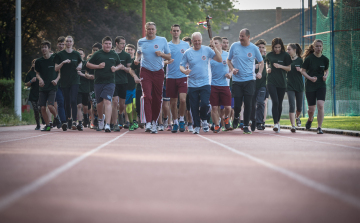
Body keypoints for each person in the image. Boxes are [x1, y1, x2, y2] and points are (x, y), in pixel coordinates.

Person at [180, 32, 222, 134]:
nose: (197, 43)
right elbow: (181, 65)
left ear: (201, 41)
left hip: (205, 82)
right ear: (192, 41)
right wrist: (184, 71)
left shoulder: (207, 50)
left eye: (199, 41)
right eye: (195, 41)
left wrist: (214, 48)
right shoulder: (188, 52)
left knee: (204, 104)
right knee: (193, 106)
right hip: (192, 83)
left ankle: (204, 120)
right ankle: (196, 126)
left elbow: (220, 59)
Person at [135, 22, 171, 134]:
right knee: (147, 96)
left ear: (155, 30)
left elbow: (169, 56)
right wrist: (137, 59)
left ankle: (155, 121)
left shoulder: (162, 40)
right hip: (145, 71)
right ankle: (149, 122)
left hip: (158, 72)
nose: (150, 31)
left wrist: (161, 54)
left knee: (157, 97)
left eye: (152, 29)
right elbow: (139, 53)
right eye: (148, 29)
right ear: (145, 30)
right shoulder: (141, 41)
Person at [227, 28, 264, 134]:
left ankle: (246, 125)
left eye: (242, 36)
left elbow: (261, 62)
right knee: (237, 105)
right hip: (237, 80)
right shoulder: (234, 46)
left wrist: (260, 72)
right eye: (239, 35)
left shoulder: (254, 48)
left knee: (248, 104)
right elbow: (228, 60)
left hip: (250, 80)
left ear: (248, 37)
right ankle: (236, 117)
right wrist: (233, 69)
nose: (240, 38)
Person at [87, 36, 123, 132]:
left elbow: (120, 65)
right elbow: (88, 64)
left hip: (110, 82)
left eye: (109, 44)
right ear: (102, 44)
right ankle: (100, 119)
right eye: (106, 44)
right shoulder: (98, 54)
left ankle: (107, 124)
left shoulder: (114, 54)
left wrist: (115, 68)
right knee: (99, 104)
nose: (108, 45)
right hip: (98, 82)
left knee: (107, 101)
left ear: (111, 45)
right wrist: (98, 66)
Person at [54, 36, 83, 131]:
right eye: (67, 41)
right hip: (64, 81)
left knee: (74, 100)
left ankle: (74, 121)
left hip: (75, 80)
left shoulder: (76, 54)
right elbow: (56, 68)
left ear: (73, 43)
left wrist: (79, 66)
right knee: (67, 101)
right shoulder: (60, 54)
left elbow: (81, 62)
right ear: (65, 43)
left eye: (70, 41)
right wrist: (63, 63)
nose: (69, 43)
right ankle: (68, 120)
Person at [301, 39, 329, 134]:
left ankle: (319, 127)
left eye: (320, 46)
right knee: (311, 109)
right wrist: (310, 78)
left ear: (322, 48)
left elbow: (326, 70)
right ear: (313, 47)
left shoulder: (325, 59)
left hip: (321, 85)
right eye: (316, 46)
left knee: (320, 105)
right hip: (310, 85)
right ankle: (310, 119)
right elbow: (303, 71)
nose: (318, 48)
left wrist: (325, 76)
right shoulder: (309, 59)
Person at [166, 24, 190, 133]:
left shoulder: (185, 45)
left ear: (180, 32)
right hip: (171, 76)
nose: (176, 33)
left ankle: (181, 120)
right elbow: (162, 60)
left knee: (183, 99)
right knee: (173, 102)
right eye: (174, 31)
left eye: (177, 31)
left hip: (182, 76)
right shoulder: (167, 45)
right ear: (171, 32)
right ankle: (175, 122)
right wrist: (167, 61)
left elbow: (190, 58)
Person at [265, 37, 292, 133]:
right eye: (275, 47)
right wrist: (267, 69)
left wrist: (280, 66)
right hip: (271, 82)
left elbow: (289, 68)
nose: (277, 49)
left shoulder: (285, 55)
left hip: (282, 82)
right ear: (273, 47)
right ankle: (275, 123)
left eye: (279, 47)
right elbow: (266, 63)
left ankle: (278, 121)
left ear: (281, 47)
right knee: (275, 102)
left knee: (279, 103)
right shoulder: (269, 55)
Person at [35, 41, 61, 131]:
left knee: (50, 106)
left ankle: (57, 117)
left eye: (45, 47)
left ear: (49, 49)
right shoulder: (38, 61)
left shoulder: (54, 59)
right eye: (42, 47)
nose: (43, 49)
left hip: (52, 87)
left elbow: (60, 73)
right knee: (42, 107)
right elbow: (37, 73)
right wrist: (40, 79)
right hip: (42, 87)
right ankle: (47, 125)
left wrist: (56, 80)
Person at [209, 36, 233, 133]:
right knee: (214, 107)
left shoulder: (227, 55)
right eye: (212, 44)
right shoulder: (210, 56)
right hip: (213, 85)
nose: (213, 46)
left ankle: (226, 118)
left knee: (228, 107)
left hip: (224, 85)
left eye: (216, 44)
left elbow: (232, 68)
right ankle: (216, 125)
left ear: (220, 44)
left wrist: (230, 74)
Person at [112, 36, 132, 131]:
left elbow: (130, 70)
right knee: (114, 101)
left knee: (122, 104)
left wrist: (123, 68)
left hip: (123, 81)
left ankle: (121, 114)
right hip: (112, 81)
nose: (123, 45)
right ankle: (115, 123)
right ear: (116, 43)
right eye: (121, 43)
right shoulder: (111, 53)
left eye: (124, 43)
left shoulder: (126, 55)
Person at [250, 39, 268, 131]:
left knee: (261, 102)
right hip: (252, 84)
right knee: (252, 104)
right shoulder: (251, 58)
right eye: (259, 47)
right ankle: (253, 120)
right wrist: (254, 67)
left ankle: (259, 122)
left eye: (262, 47)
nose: (260, 49)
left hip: (262, 85)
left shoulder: (265, 58)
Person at [287, 43, 304, 133]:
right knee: (292, 105)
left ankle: (297, 117)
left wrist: (300, 70)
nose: (287, 51)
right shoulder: (287, 60)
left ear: (294, 50)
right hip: (289, 85)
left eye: (289, 49)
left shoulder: (300, 61)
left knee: (299, 108)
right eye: (287, 49)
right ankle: (293, 126)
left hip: (299, 86)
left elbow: (305, 72)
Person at [87, 43, 102, 129]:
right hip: (92, 86)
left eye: (97, 50)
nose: (95, 52)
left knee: (100, 104)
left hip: (101, 85)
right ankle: (92, 121)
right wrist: (88, 76)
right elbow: (85, 71)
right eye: (94, 50)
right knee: (93, 104)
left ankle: (100, 119)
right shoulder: (90, 61)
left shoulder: (103, 60)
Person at [124, 44, 139, 131]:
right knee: (128, 106)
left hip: (136, 86)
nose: (129, 51)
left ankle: (135, 120)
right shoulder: (124, 60)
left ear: (134, 51)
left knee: (135, 104)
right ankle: (130, 122)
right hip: (126, 86)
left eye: (130, 49)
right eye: (127, 49)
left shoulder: (136, 61)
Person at [76, 48, 91, 130]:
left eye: (81, 54)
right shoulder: (75, 64)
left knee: (85, 107)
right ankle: (80, 123)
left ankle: (86, 118)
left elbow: (89, 76)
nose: (80, 55)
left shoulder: (87, 64)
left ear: (84, 55)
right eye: (78, 54)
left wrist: (81, 74)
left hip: (85, 88)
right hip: (77, 87)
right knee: (79, 105)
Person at [53, 36, 66, 128]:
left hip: (68, 83)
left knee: (67, 103)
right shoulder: (54, 56)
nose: (61, 46)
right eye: (60, 44)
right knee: (60, 102)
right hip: (57, 83)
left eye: (63, 44)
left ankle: (68, 120)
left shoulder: (69, 55)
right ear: (57, 45)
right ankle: (63, 121)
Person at [25, 59, 41, 130]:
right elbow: (26, 84)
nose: (35, 64)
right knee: (36, 110)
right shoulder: (30, 73)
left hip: (41, 94)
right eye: (34, 63)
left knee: (41, 109)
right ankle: (38, 125)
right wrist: (31, 81)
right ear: (32, 65)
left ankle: (44, 119)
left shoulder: (41, 72)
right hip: (33, 95)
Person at [182, 36, 194, 132]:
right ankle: (182, 121)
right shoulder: (181, 54)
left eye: (187, 44)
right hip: (181, 80)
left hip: (191, 82)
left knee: (190, 104)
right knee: (182, 103)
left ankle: (190, 122)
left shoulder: (193, 54)